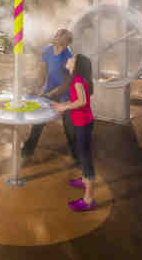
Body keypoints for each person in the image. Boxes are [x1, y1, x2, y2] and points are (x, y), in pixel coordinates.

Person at [20, 29, 77, 163]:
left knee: (69, 126)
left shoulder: (68, 55)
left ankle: (76, 154)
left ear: (66, 42)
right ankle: (28, 149)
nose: (55, 37)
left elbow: (67, 83)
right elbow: (43, 71)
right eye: (57, 35)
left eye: (59, 37)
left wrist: (51, 93)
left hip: (66, 94)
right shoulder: (47, 50)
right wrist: (37, 87)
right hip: (50, 89)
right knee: (39, 121)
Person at [51, 54, 97, 212]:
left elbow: (82, 101)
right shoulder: (76, 78)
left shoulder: (77, 79)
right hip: (82, 122)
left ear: (76, 65)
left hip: (83, 123)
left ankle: (88, 200)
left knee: (85, 159)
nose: (69, 59)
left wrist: (64, 107)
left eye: (72, 59)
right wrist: (62, 104)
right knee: (82, 154)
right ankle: (84, 180)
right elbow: (78, 99)